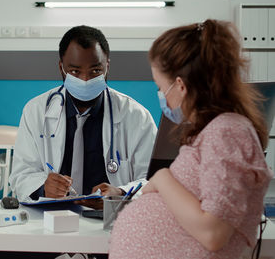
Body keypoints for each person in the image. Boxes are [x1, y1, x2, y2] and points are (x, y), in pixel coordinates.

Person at [110, 19, 273, 259]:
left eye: (160, 86)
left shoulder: (227, 132)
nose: (161, 96)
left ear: (180, 85)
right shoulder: (213, 132)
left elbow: (213, 232)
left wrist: (163, 179)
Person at [10, 25, 157, 207]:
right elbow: (21, 175)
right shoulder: (36, 111)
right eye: (75, 71)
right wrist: (43, 187)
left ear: (107, 66)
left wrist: (120, 193)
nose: (85, 80)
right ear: (61, 68)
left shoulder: (136, 117)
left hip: (110, 220)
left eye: (95, 71)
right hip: (53, 217)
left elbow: (154, 180)